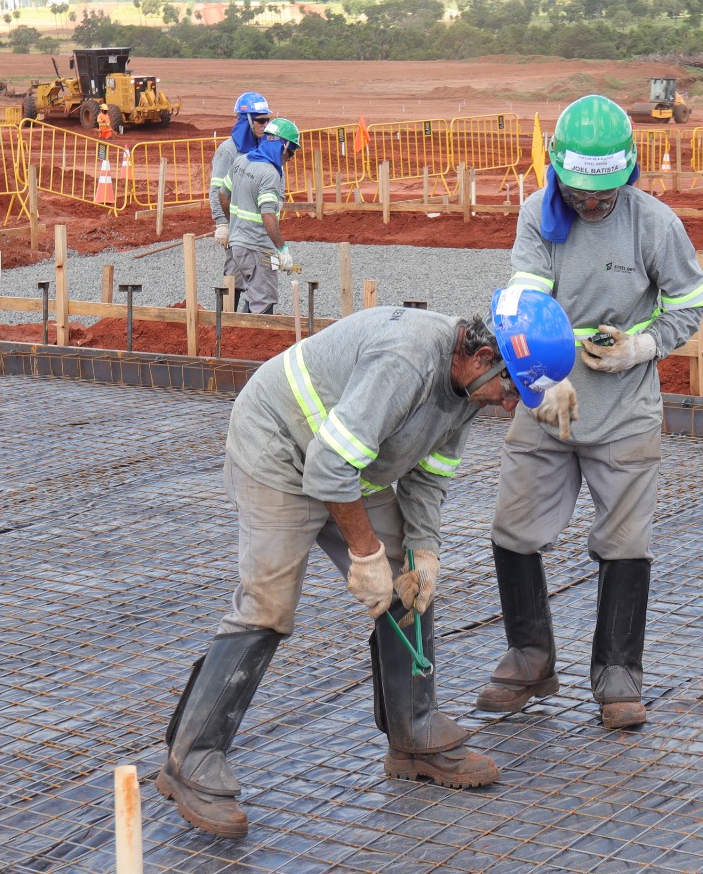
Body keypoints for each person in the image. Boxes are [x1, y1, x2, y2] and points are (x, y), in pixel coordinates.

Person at [158, 291, 578, 840]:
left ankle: (413, 733)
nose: (508, 404)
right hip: (281, 450)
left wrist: (422, 553)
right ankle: (192, 758)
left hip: (348, 462)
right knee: (270, 604)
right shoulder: (406, 363)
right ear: (481, 358)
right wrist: (365, 553)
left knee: (408, 585)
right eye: (509, 388)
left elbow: (429, 474)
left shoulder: (466, 387)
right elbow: (329, 466)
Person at [475, 94, 703, 731]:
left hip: (626, 406)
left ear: (628, 173)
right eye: (580, 191)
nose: (591, 203)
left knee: (626, 539)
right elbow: (523, 302)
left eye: (603, 193)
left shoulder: (655, 224)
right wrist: (538, 378)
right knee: (513, 526)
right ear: (557, 172)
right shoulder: (538, 216)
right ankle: (530, 656)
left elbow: (689, 304)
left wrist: (642, 345)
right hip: (547, 397)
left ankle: (616, 670)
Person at [224, 116, 300, 314]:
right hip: (257, 248)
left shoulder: (241, 161)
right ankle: (246, 341)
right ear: (282, 147)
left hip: (237, 246)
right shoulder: (269, 173)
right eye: (290, 153)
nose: (289, 159)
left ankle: (233, 334)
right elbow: (268, 215)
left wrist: (229, 225)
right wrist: (282, 249)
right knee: (264, 302)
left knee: (248, 296)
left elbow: (223, 194)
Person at [210, 91, 273, 260]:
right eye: (260, 120)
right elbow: (217, 189)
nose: (265, 124)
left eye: (267, 120)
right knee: (236, 279)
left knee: (263, 276)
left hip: (261, 230)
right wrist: (222, 223)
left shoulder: (266, 149)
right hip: (237, 231)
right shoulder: (228, 151)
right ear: (248, 121)